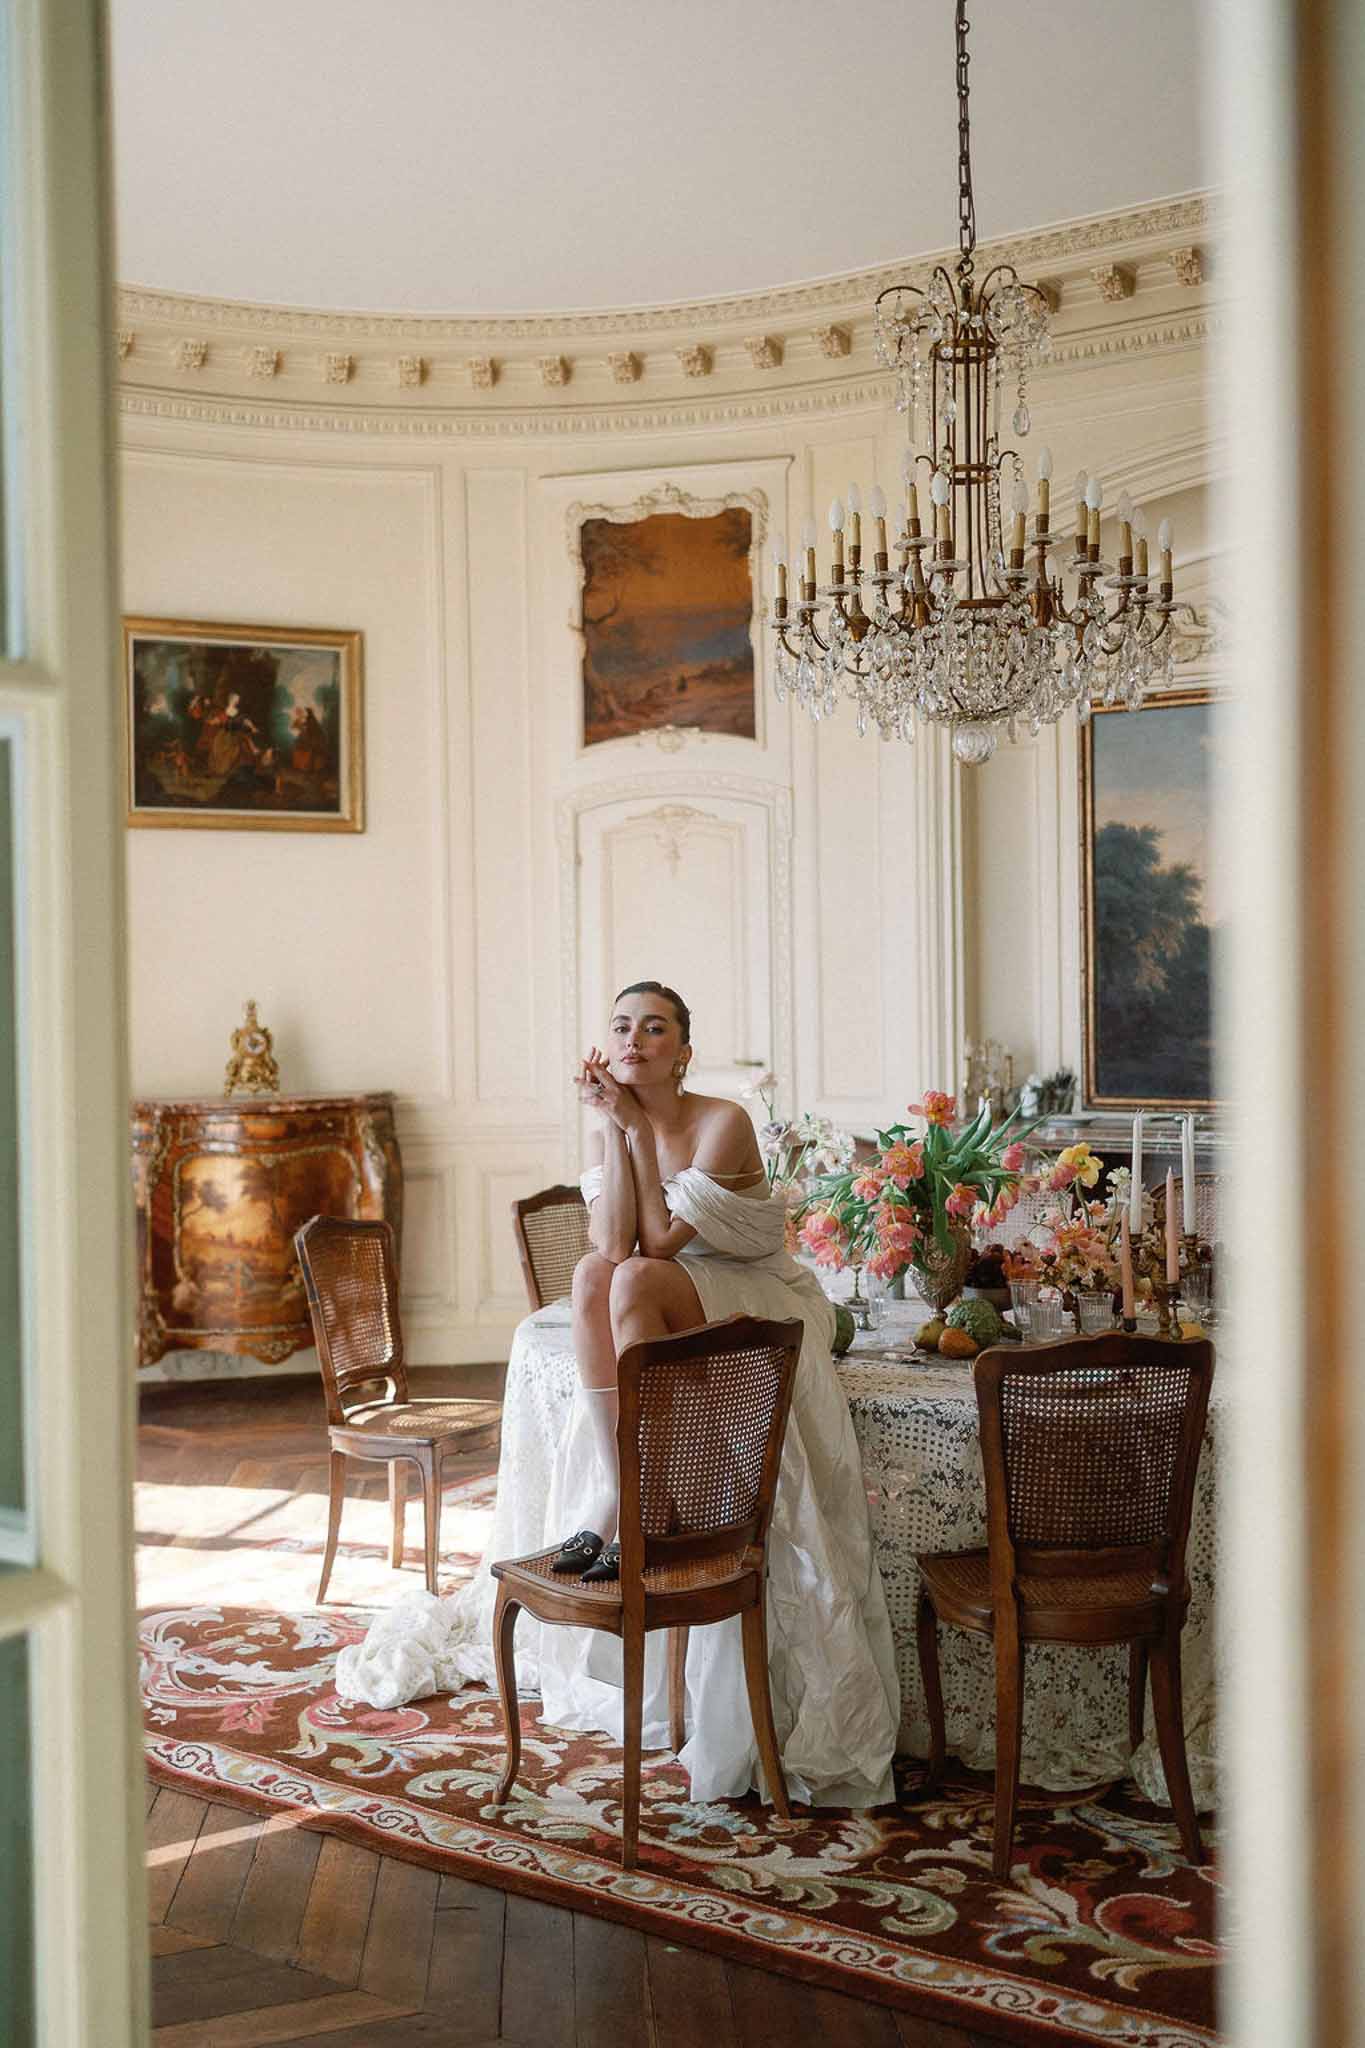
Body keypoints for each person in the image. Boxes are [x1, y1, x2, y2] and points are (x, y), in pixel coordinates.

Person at [336, 981, 900, 1809]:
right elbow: (608, 1244)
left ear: (682, 1049)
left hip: (757, 1303)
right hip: (668, 1286)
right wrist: (615, 1130)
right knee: (594, 1271)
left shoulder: (721, 1120)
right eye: (622, 1026)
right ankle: (621, 1481)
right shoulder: (618, 1126)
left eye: (655, 1027)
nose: (635, 1039)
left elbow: (666, 1239)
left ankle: (628, 1490)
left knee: (634, 1273)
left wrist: (634, 1128)